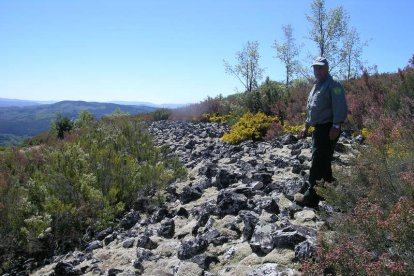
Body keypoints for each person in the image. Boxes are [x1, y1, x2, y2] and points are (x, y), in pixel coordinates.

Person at [296, 56, 348, 208]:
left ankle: (311, 198)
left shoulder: (334, 84)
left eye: (320, 67)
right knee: (323, 159)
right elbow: (312, 108)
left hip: (329, 128)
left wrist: (336, 126)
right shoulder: (316, 85)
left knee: (318, 162)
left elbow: (340, 106)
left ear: (327, 68)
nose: (317, 70)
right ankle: (330, 188)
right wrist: (306, 125)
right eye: (315, 67)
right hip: (318, 129)